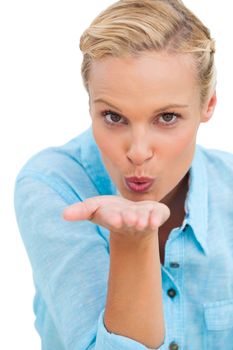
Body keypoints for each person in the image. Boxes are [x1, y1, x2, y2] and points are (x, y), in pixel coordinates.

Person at [13, 0, 233, 349]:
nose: (137, 151)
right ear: (90, 105)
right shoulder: (52, 185)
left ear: (208, 106)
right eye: (114, 117)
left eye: (167, 117)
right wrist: (133, 241)